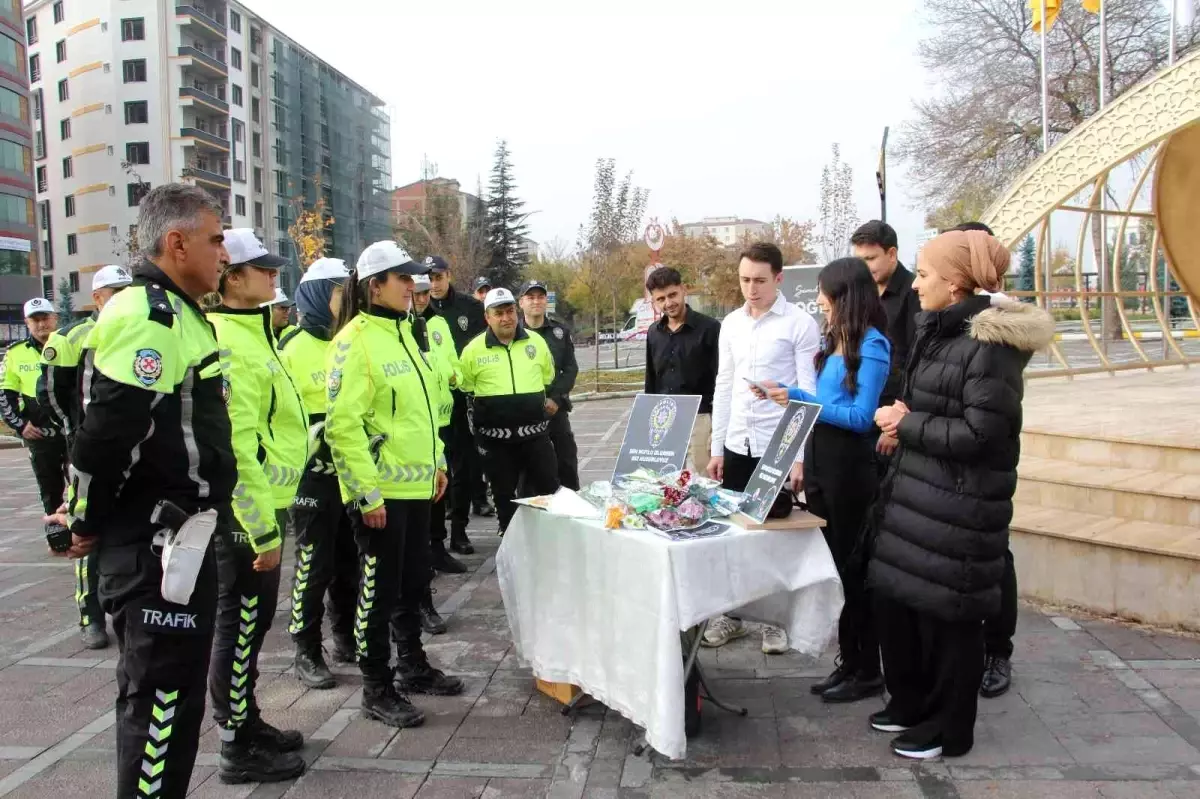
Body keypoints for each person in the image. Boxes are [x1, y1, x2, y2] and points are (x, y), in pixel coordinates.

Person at [46, 183, 237, 797]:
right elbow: (108, 435)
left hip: (184, 535)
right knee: (158, 703)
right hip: (154, 543)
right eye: (215, 240)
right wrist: (85, 520)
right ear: (176, 243)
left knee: (175, 703)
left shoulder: (182, 314)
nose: (225, 254)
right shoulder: (149, 314)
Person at [868, 229, 1053, 760]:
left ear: (954, 284)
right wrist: (907, 420)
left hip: (961, 506)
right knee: (912, 608)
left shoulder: (989, 346)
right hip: (926, 497)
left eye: (924, 275)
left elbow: (982, 434)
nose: (916, 284)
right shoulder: (942, 329)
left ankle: (949, 729)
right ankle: (916, 706)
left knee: (951, 621)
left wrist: (909, 423)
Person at [327, 241, 463, 729]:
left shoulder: (409, 332)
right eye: (402, 278)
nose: (413, 286)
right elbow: (343, 427)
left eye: (414, 278)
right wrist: (366, 494)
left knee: (411, 584)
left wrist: (439, 462)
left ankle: (412, 667)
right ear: (373, 286)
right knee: (378, 594)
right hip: (380, 496)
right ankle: (376, 687)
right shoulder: (355, 340)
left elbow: (424, 411)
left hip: (418, 486)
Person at [756, 258, 891, 703]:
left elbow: (860, 417)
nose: (818, 301)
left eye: (824, 293)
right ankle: (848, 662)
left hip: (850, 471)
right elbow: (826, 403)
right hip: (821, 465)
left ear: (845, 296)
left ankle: (867, 667)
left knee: (854, 572)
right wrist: (790, 396)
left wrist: (799, 399)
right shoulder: (836, 343)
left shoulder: (871, 346)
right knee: (834, 568)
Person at [206, 229, 308, 784]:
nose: (274, 275)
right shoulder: (230, 338)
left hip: (268, 503)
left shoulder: (258, 331)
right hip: (249, 516)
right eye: (262, 269)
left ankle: (246, 722)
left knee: (253, 623)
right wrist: (261, 528)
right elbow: (238, 445)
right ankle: (233, 743)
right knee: (240, 626)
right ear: (231, 277)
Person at [705, 242, 820, 655]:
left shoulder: (800, 324)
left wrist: (800, 457)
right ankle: (732, 614)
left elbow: (808, 394)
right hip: (738, 441)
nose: (750, 289)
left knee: (775, 537)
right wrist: (717, 447)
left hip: (779, 445)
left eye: (759, 280)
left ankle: (775, 621)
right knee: (736, 533)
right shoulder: (731, 324)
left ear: (778, 279)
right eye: (744, 280)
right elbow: (723, 386)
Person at [38, 265, 133, 649]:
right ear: (97, 298)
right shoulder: (73, 337)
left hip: (126, 452)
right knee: (83, 525)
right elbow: (54, 394)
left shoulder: (136, 329)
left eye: (128, 290)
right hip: (84, 451)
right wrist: (75, 438)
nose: (123, 297)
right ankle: (88, 614)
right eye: (115, 292)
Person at [281, 257, 361, 688]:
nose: (344, 300)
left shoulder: (348, 341)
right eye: (336, 292)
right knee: (315, 563)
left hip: (350, 474)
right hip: (310, 478)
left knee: (350, 560)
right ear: (314, 295)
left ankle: (344, 635)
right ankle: (305, 648)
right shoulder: (291, 349)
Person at [947, 221, 1017, 702]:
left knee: (996, 559)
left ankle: (997, 651)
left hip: (980, 462)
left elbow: (986, 419)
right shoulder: (939, 314)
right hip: (945, 458)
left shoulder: (999, 327)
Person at [459, 288, 559, 533]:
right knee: (503, 494)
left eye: (510, 311)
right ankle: (508, 538)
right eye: (499, 313)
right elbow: (466, 385)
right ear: (488, 318)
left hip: (535, 436)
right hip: (495, 442)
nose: (506, 318)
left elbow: (548, 376)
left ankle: (551, 538)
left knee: (548, 488)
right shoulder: (473, 350)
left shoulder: (537, 342)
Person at [427, 255, 493, 554]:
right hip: (430, 409)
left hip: (462, 404)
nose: (434, 284)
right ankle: (436, 538)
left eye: (438, 277)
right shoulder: (416, 315)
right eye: (428, 278)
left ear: (448, 276)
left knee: (465, 470)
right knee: (437, 472)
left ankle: (460, 532)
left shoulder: (470, 308)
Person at [411, 271, 466, 629]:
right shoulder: (400, 329)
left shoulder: (440, 324)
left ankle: (438, 547)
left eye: (422, 293)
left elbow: (452, 361)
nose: (419, 299)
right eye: (413, 293)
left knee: (443, 484)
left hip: (442, 416)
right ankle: (423, 567)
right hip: (415, 426)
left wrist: (452, 375)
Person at [849, 220, 919, 471]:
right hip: (861, 414)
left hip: (891, 420)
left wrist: (896, 426)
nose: (864, 268)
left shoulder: (914, 294)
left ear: (892, 254)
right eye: (860, 260)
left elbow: (916, 363)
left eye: (870, 259)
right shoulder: (861, 294)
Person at [643, 266, 721, 472]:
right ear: (653, 301)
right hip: (664, 421)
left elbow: (722, 378)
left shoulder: (710, 329)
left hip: (701, 419)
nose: (668, 303)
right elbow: (651, 379)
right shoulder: (653, 333)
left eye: (672, 295)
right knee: (667, 481)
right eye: (660, 299)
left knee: (705, 482)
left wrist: (719, 427)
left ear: (683, 289)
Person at [3, 297, 65, 521]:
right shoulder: (14, 353)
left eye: (45, 318)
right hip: (39, 434)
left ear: (54, 319)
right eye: (35, 320)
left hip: (71, 429)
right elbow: (5, 394)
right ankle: (56, 534)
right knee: (49, 489)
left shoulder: (69, 343)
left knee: (83, 487)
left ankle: (84, 536)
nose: (41, 325)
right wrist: (20, 425)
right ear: (27, 323)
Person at [518, 280, 580, 490]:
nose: (536, 301)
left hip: (556, 408)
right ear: (521, 303)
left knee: (566, 461)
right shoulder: (514, 334)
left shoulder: (559, 332)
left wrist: (555, 398)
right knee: (528, 469)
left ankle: (572, 512)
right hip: (527, 412)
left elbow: (570, 368)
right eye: (530, 297)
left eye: (540, 297)